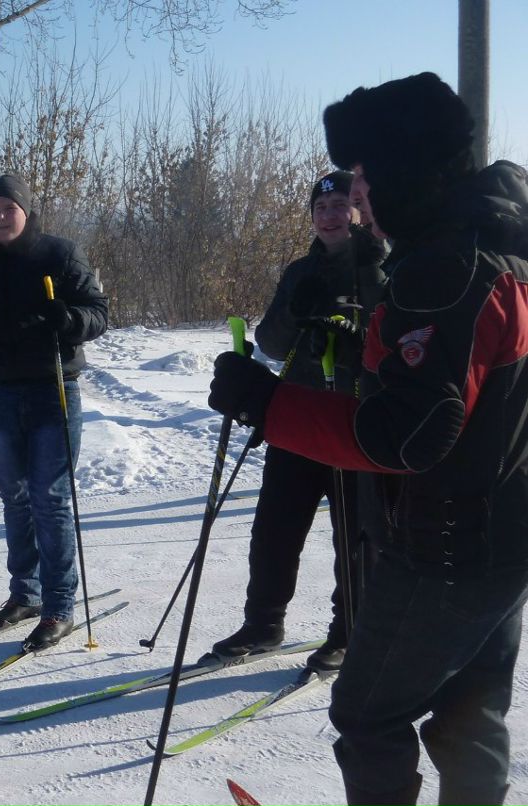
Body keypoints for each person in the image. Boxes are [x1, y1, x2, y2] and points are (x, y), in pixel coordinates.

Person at [208, 73, 528, 805]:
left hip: (447, 543)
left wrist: (267, 402)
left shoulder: (444, 268)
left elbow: (410, 433)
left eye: (365, 178)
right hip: (505, 531)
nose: (358, 198)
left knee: (366, 712)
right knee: (468, 714)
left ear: (404, 172)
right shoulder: (506, 245)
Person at [210, 170, 387, 673]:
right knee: (274, 527)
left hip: (356, 420)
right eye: (321, 208)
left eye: (340, 206)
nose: (330, 216)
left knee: (353, 534)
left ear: (358, 212)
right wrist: (297, 312)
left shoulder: (381, 266)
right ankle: (264, 623)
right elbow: (270, 343)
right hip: (297, 415)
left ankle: (348, 631)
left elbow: (400, 338)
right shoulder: (299, 271)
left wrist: (359, 335)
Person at [0, 174, 108, 651]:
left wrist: (68, 320)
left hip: (53, 388)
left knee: (49, 499)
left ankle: (58, 606)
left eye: (9, 208)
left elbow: (98, 315)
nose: (0, 217)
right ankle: (24, 595)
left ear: (26, 211)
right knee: (15, 497)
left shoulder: (59, 255)